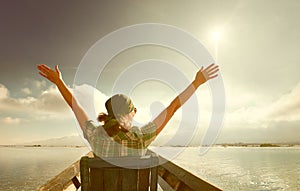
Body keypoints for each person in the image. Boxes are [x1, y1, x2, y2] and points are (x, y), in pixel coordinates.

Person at [37, 63, 219, 157]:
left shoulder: (94, 134)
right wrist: (196, 83)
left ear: (107, 115)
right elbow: (173, 107)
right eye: (134, 110)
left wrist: (59, 81)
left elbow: (75, 105)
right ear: (132, 113)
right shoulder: (142, 137)